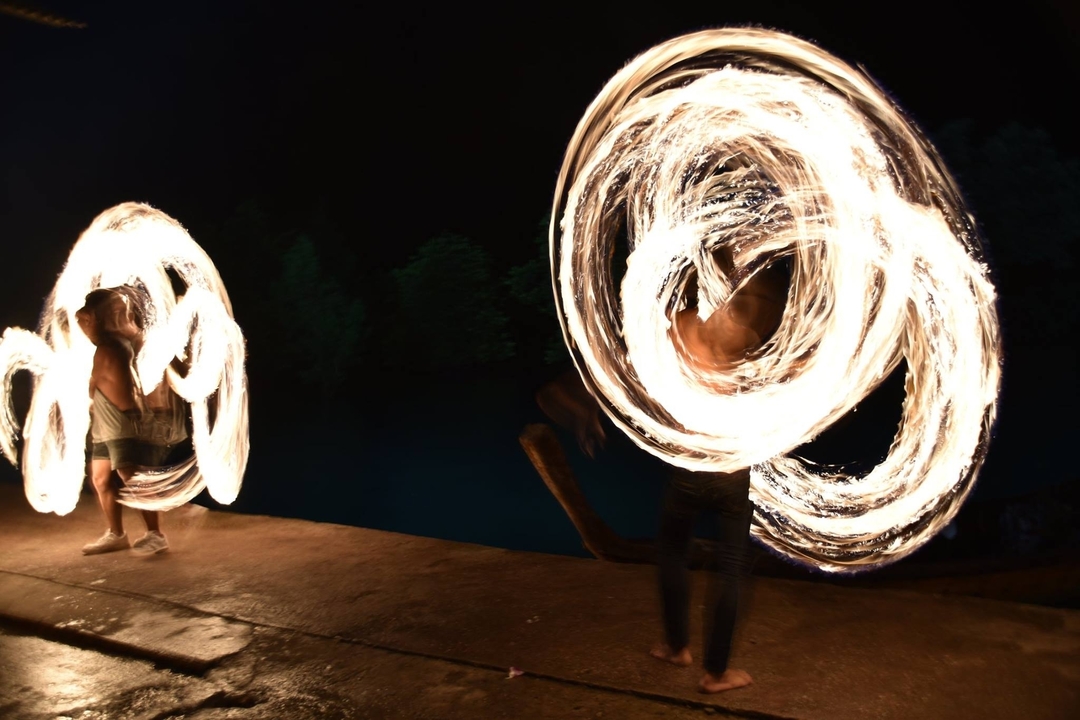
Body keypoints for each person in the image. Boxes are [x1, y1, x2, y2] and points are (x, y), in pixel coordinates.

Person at [538, 249, 787, 694]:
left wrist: (581, 398)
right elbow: (777, 388)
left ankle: (677, 647)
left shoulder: (682, 326)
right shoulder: (749, 335)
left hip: (689, 466)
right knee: (731, 568)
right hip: (731, 468)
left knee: (672, 551)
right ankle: (717, 672)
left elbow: (626, 364)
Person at [76, 287, 187, 555]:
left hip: (120, 426)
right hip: (104, 425)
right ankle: (116, 534)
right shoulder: (107, 345)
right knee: (100, 479)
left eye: (88, 320)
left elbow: (128, 386)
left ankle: (156, 534)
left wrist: (132, 415)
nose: (82, 325)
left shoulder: (114, 346)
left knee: (133, 480)